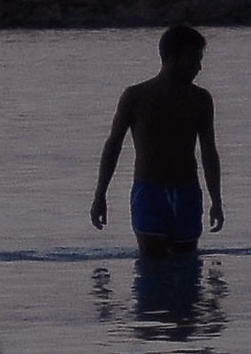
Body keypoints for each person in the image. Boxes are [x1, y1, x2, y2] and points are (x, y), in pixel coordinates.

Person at [90, 24, 225, 258]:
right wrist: (100, 195)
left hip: (187, 192)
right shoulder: (135, 97)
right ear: (172, 58)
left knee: (187, 269)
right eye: (194, 59)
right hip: (150, 192)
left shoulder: (200, 100)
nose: (199, 67)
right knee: (152, 266)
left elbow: (209, 151)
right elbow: (113, 145)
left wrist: (216, 200)